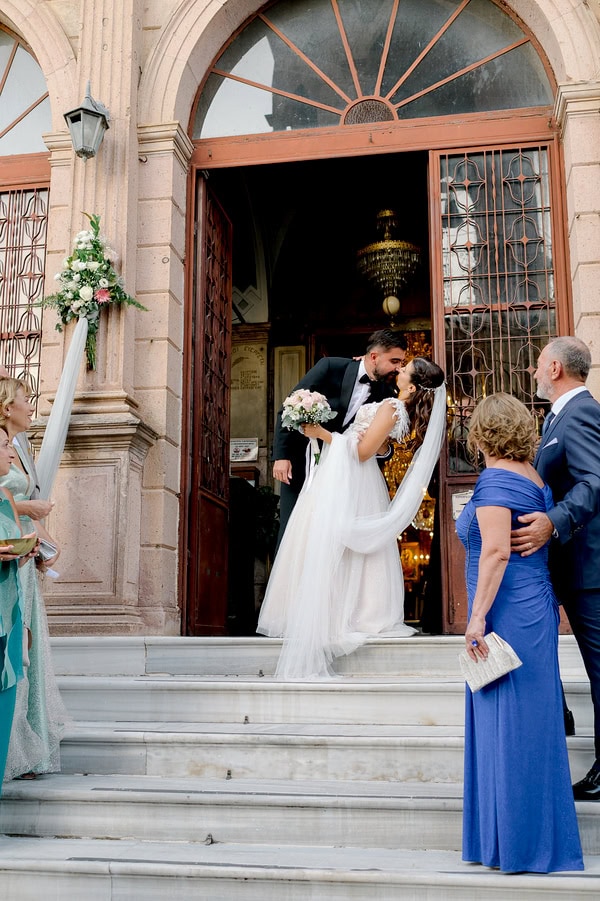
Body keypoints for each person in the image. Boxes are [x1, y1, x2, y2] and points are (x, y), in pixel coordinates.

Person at [258, 358, 446, 679]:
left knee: (341, 543)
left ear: (412, 386)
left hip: (354, 476)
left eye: (405, 369)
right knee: (337, 543)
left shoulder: (392, 408)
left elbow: (362, 452)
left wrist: (323, 433)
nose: (398, 370)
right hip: (346, 474)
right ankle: (337, 612)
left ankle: (350, 616)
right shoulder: (391, 405)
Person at [457, 393, 583, 873]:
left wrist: (475, 619)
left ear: (481, 433)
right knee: (529, 726)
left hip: (506, 613)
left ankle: (517, 846)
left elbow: (495, 554)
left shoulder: (494, 480)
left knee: (508, 727)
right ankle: (528, 839)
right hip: (534, 610)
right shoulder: (532, 477)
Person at [511, 336, 600, 800]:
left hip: (590, 570)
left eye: (538, 365)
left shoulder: (581, 412)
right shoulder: (558, 417)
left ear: (556, 368)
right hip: (568, 568)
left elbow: (594, 480)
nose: (533, 372)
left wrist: (554, 522)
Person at [272, 329, 407, 545]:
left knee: (328, 540)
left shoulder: (387, 395)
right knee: (292, 536)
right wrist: (282, 456)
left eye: (401, 362)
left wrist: (382, 451)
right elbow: (289, 407)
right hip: (302, 464)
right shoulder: (330, 367)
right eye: (394, 361)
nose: (398, 368)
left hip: (343, 476)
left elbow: (381, 449)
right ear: (374, 357)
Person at [0, 378, 69, 781]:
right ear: (7, 406)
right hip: (7, 548)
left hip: (19, 545)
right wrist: (33, 510)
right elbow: (6, 500)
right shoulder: (0, 442)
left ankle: (26, 746)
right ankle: (13, 749)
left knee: (27, 645)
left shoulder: (18, 446)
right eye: (25, 399)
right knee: (16, 642)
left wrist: (41, 542)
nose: (32, 405)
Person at [0, 426, 33, 790]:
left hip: (7, 614)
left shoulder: (6, 496)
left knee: (3, 710)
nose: (12, 455)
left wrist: (27, 552)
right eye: (5, 446)